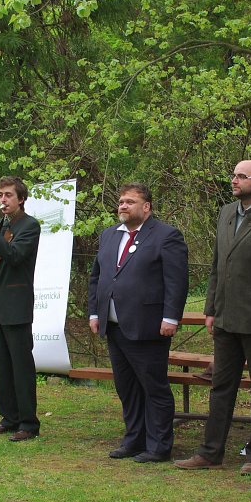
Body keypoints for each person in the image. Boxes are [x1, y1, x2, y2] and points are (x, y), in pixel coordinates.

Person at [175, 160, 251, 474]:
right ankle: (210, 453)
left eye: (242, 176)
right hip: (226, 319)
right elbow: (218, 265)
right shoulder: (226, 213)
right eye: (233, 175)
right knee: (221, 387)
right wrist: (211, 309)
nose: (234, 180)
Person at [88, 183, 189, 463]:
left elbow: (176, 281)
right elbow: (97, 277)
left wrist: (171, 317)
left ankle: (159, 446)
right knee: (127, 387)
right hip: (114, 325)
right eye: (121, 201)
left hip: (148, 325)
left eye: (130, 202)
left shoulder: (166, 236)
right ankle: (134, 439)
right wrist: (94, 313)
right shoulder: (109, 235)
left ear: (146, 207)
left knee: (153, 387)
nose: (123, 205)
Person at [0, 177, 43, 442]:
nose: (3, 200)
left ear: (21, 199)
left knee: (21, 367)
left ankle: (28, 423)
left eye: (8, 195)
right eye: (0, 195)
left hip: (17, 306)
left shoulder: (29, 225)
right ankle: (9, 417)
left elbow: (15, 256)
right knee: (1, 367)